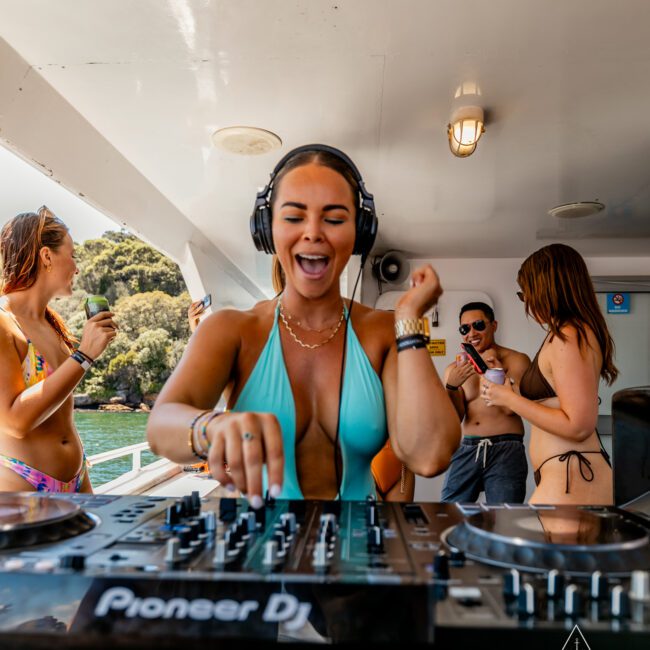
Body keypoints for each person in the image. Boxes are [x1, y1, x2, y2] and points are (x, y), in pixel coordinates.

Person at [147, 145, 459, 506]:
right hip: (261, 550)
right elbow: (160, 426)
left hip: (357, 550)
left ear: (359, 231)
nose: (313, 232)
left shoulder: (384, 332)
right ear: (268, 229)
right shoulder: (231, 329)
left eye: (335, 218)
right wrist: (210, 427)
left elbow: (429, 456)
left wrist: (410, 326)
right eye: (294, 217)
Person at [482, 244, 618, 505]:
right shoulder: (567, 334)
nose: (528, 303)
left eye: (527, 294)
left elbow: (578, 425)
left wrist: (510, 399)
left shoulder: (570, 335)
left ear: (547, 289)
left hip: (574, 479)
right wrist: (509, 390)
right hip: (567, 478)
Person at [0, 206, 117, 492]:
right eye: (73, 254)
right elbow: (14, 421)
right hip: (22, 483)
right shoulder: (4, 323)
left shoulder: (54, 325)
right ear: (47, 256)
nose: (77, 267)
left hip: (77, 477)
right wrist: (84, 355)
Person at [441, 302, 531, 503]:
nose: (472, 332)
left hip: (506, 448)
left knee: (504, 519)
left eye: (478, 325)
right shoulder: (454, 369)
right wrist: (452, 387)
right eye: (465, 328)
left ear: (494, 325)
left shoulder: (517, 361)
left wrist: (497, 375)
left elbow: (510, 410)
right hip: (467, 448)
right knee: (449, 513)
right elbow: (455, 418)